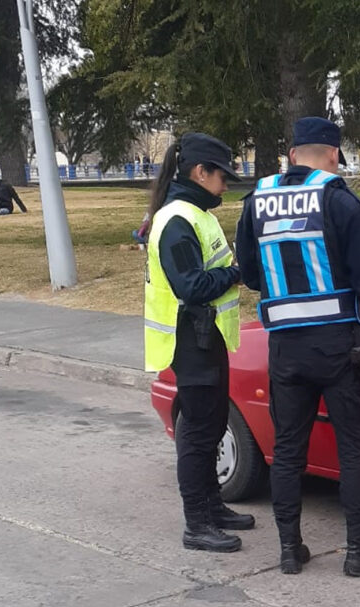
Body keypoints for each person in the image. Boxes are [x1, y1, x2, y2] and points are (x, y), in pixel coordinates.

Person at [236, 116, 360, 577]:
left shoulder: (257, 200)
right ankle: (358, 552)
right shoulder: (339, 200)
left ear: (292, 153)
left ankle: (289, 550)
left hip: (285, 347)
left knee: (287, 450)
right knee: (352, 449)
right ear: (334, 154)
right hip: (339, 345)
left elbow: (251, 274)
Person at [143, 132, 254, 552]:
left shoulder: (197, 214)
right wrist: (237, 272)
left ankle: (213, 507)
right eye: (222, 176)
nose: (225, 185)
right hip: (190, 340)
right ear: (200, 172)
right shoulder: (177, 220)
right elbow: (191, 286)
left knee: (212, 427)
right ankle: (197, 523)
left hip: (208, 338)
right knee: (197, 435)